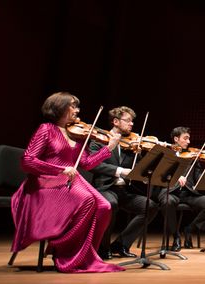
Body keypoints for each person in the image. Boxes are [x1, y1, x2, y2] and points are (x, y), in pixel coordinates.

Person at [10, 92, 124, 273]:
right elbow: (28, 160)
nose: (77, 110)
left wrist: (108, 148)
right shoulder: (46, 129)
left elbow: (86, 163)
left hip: (70, 181)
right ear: (59, 107)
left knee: (104, 207)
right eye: (73, 105)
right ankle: (63, 250)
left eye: (77, 106)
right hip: (46, 182)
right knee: (87, 200)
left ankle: (83, 253)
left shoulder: (78, 134)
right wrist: (60, 169)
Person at [88, 106, 158, 259]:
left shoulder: (131, 144)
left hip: (124, 191)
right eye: (128, 121)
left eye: (132, 121)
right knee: (110, 204)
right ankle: (102, 247)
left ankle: (121, 244)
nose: (131, 124)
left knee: (149, 206)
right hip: (105, 188)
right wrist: (119, 171)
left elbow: (137, 170)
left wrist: (140, 155)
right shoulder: (99, 140)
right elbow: (94, 165)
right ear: (116, 121)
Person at [158, 126, 205, 251]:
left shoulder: (193, 157)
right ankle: (175, 236)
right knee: (167, 202)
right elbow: (159, 174)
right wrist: (176, 178)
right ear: (176, 139)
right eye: (185, 138)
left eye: (189, 139)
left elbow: (199, 178)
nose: (188, 142)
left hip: (189, 193)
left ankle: (189, 229)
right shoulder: (165, 154)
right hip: (170, 191)